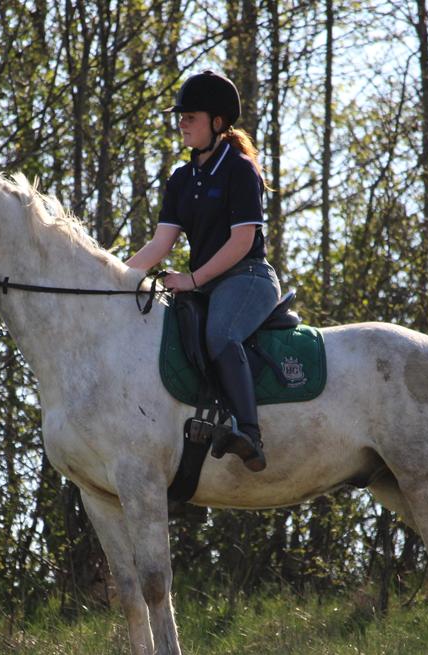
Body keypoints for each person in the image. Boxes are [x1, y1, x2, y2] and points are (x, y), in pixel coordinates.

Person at [127, 70, 281, 472]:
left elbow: (242, 242)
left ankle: (250, 432)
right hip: (210, 286)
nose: (181, 123)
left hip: (248, 278)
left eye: (190, 116)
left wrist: (193, 280)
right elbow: (161, 246)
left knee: (220, 335)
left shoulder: (240, 169)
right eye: (180, 116)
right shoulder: (181, 179)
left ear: (217, 122)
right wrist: (112, 276)